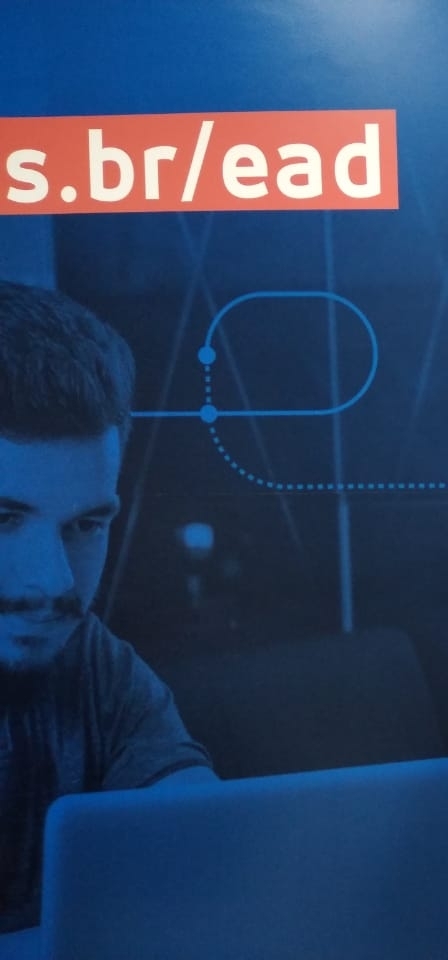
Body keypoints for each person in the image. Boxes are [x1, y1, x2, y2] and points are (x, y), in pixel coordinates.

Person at [0, 280, 215, 933]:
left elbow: (206, 852)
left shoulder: (88, 660)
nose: (54, 583)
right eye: (3, 519)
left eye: (86, 525)